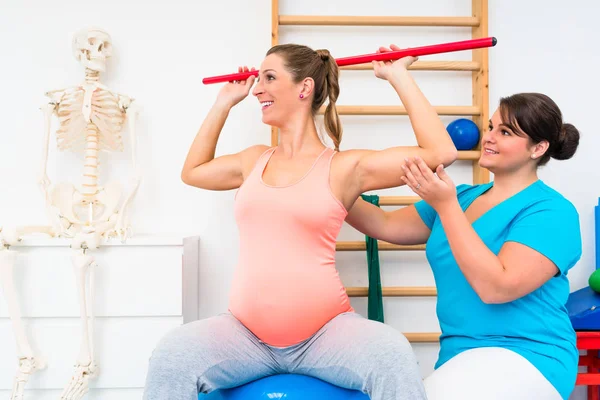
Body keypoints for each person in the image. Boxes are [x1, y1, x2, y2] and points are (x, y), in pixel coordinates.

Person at [142, 42, 458, 400]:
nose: (257, 88)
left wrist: (398, 76)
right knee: (171, 357)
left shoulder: (344, 167)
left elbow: (440, 153)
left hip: (326, 334)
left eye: (269, 78)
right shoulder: (253, 161)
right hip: (245, 335)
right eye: (258, 79)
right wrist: (223, 103)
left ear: (304, 88)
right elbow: (193, 172)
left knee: (392, 355)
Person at [345, 92, 582, 400]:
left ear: (538, 148)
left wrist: (446, 207)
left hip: (529, 356)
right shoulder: (461, 197)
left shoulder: (552, 211)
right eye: (491, 127)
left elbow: (497, 287)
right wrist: (327, 183)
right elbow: (383, 224)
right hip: (460, 357)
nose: (490, 137)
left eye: (506, 132)